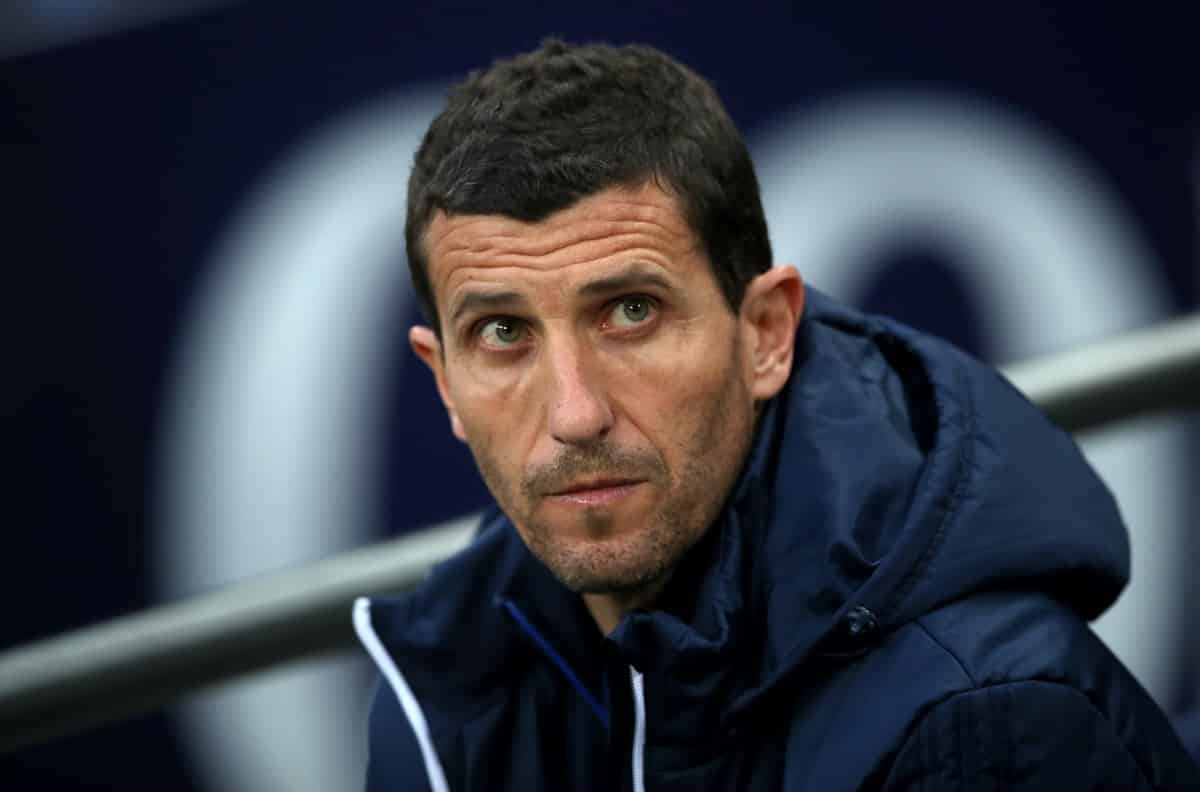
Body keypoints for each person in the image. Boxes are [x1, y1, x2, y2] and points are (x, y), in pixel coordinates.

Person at [352, 39, 1200, 790]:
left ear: (765, 333)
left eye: (632, 312)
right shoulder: (438, 692)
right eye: (502, 332)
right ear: (445, 384)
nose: (575, 413)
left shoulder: (983, 722)